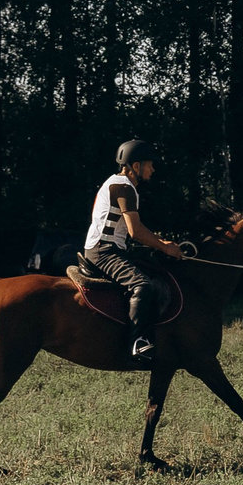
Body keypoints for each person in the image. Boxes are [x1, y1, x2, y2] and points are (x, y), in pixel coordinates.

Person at [81, 139, 184, 367]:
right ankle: (137, 342)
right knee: (143, 285)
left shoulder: (122, 184)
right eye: (150, 164)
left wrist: (160, 241)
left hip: (112, 248)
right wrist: (165, 246)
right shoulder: (124, 187)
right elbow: (134, 231)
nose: (153, 169)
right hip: (103, 252)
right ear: (135, 166)